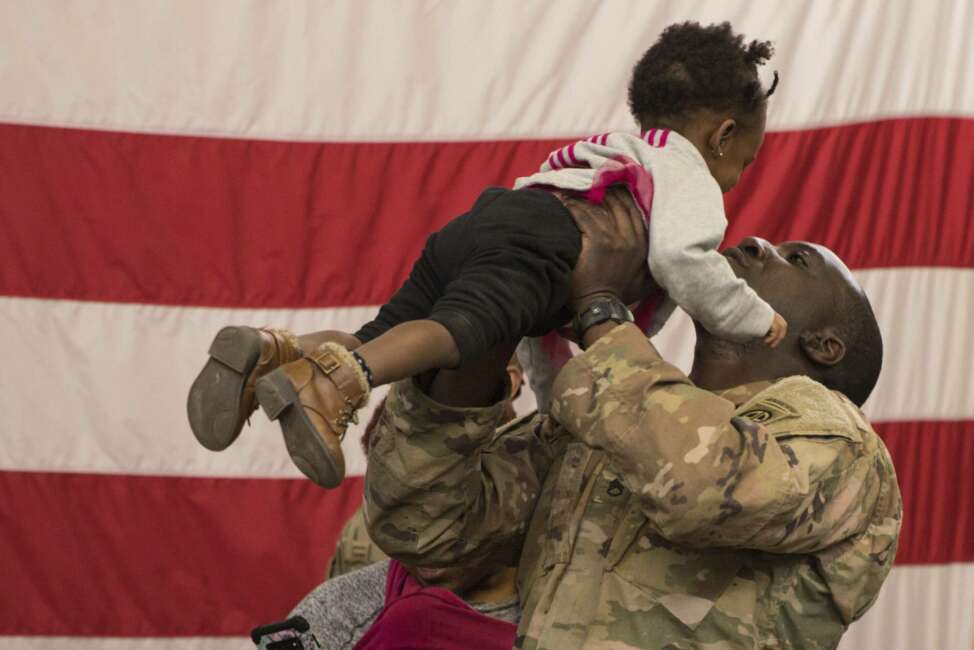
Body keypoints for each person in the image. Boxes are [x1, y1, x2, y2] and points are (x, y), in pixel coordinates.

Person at [186, 21, 787, 489]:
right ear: (723, 135)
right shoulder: (687, 171)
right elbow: (685, 260)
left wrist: (556, 408)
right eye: (746, 162)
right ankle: (337, 385)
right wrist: (755, 317)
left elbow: (538, 334)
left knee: (388, 333)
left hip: (490, 219)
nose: (736, 179)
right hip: (546, 238)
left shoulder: (620, 151)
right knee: (458, 332)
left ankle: (276, 355)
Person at [361, 190, 902, 649]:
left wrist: (598, 307)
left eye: (797, 259)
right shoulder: (607, 427)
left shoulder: (842, 440)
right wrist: (498, 309)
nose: (757, 243)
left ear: (824, 345)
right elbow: (427, 529)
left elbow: (704, 486)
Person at [273, 359, 528, 649]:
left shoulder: (570, 608)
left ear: (509, 492)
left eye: (441, 508)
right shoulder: (334, 617)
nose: (419, 535)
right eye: (399, 509)